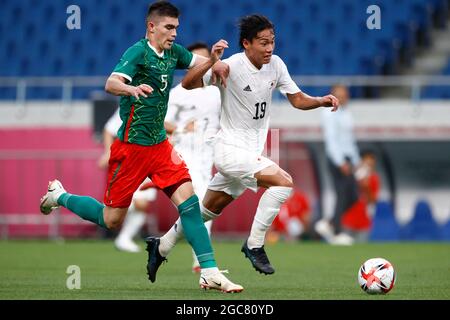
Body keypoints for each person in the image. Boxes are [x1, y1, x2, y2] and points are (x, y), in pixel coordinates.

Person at [39, 1, 242, 293]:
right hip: (131, 150)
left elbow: (198, 64)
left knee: (190, 204)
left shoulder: (173, 52)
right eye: (169, 27)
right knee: (111, 219)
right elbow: (111, 83)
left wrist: (215, 60)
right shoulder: (138, 52)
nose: (174, 33)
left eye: (176, 28)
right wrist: (131, 88)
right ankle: (59, 195)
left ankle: (209, 271)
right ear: (152, 26)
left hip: (160, 147)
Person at [146, 14, 339, 278]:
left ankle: (161, 246)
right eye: (263, 43)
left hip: (250, 152)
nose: (269, 48)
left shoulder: (276, 65)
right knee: (283, 182)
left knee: (204, 212)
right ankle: (254, 244)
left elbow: (296, 99)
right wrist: (213, 63)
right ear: (246, 43)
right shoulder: (230, 66)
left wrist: (320, 101)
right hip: (228, 150)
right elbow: (189, 84)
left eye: (272, 42)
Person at [164, 42, 221, 273]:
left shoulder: (216, 91)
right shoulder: (176, 94)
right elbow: (161, 122)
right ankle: (202, 261)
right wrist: (179, 129)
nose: (203, 65)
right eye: (197, 60)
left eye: (207, 60)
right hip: (184, 155)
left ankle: (162, 245)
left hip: (209, 155)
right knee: (200, 204)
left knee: (203, 206)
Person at [98, 108, 158, 253]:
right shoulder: (133, 104)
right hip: (131, 162)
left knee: (142, 205)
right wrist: (107, 152)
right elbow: (109, 129)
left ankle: (124, 238)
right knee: (136, 203)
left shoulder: (164, 103)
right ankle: (100, 212)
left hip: (151, 160)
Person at [315, 84, 359, 245]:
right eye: (339, 95)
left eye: (345, 94)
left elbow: (350, 140)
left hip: (348, 158)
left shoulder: (347, 113)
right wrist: (340, 161)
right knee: (341, 194)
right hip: (337, 159)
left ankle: (328, 223)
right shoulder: (328, 112)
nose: (343, 97)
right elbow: (331, 140)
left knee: (353, 196)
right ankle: (337, 231)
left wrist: (356, 161)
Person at [341, 150, 380, 242]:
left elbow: (373, 201)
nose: (369, 165)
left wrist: (366, 188)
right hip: (348, 219)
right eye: (366, 162)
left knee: (361, 250)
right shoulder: (351, 176)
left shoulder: (374, 178)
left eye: (371, 163)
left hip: (364, 222)